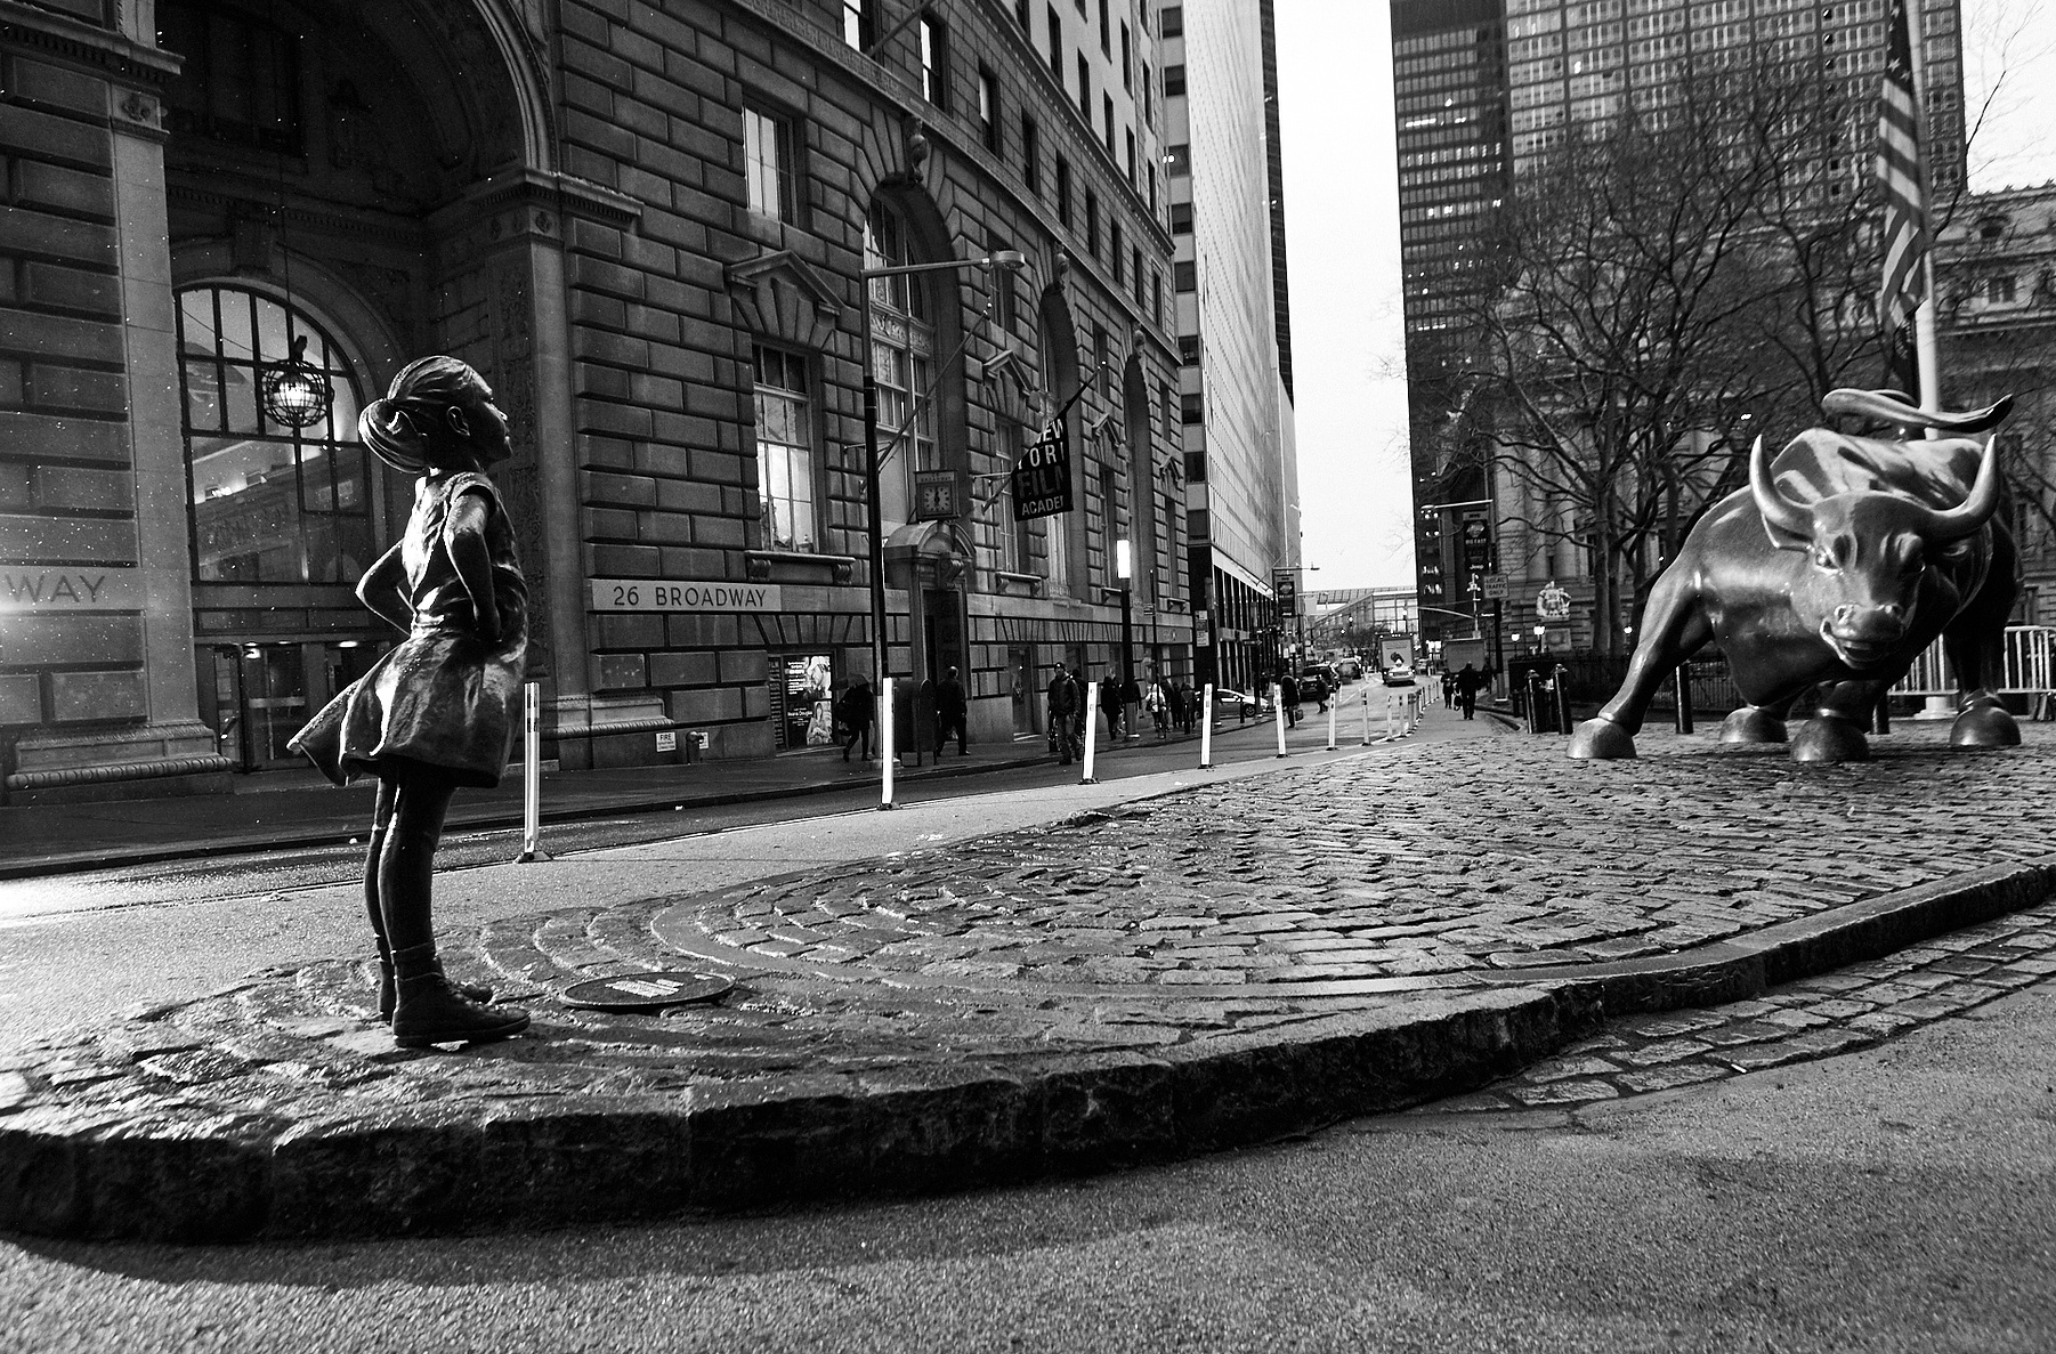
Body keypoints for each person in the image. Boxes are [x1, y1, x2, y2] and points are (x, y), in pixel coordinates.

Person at [287, 355, 529, 1050]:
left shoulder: (427, 493)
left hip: (413, 665)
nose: (504, 415)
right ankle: (422, 993)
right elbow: (464, 539)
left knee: (390, 826)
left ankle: (399, 980)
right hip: (444, 672)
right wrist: (480, 618)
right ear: (459, 421)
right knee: (414, 831)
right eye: (491, 401)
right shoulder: (469, 488)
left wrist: (420, 632)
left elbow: (372, 586)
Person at [1046, 662, 1082, 764]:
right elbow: (1051, 697)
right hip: (1058, 713)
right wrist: (1052, 709)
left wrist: (1076, 711)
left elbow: (1076, 697)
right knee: (1061, 737)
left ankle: (1077, 747)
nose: (1058, 671)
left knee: (1070, 734)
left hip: (1068, 712)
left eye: (1060, 669)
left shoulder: (1070, 682)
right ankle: (1066, 756)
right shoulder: (1053, 684)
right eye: (1056, 669)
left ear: (1063, 669)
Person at [836, 673, 875, 760]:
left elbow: (844, 701)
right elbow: (870, 707)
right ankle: (864, 755)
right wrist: (872, 717)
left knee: (855, 735)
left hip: (853, 717)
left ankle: (847, 749)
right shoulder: (867, 694)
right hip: (864, 717)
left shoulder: (852, 692)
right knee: (865, 737)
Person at [934, 665, 968, 755]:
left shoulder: (941, 684)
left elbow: (937, 698)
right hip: (956, 712)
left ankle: (938, 748)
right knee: (961, 732)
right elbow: (960, 699)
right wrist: (963, 711)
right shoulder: (958, 684)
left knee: (943, 731)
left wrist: (938, 709)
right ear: (956, 674)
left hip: (945, 712)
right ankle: (962, 750)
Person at [1100, 668, 1125, 743]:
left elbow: (1102, 700)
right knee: (1115, 719)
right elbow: (1117, 697)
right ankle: (1114, 729)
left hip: (1107, 707)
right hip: (1114, 706)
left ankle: (1111, 732)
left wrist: (1103, 707)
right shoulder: (1113, 689)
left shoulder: (1103, 690)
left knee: (1109, 720)